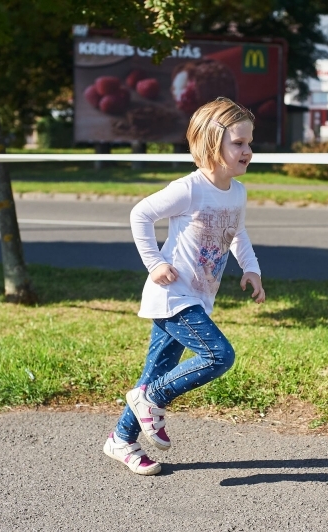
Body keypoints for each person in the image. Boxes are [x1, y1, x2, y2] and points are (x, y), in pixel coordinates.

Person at [103, 97, 266, 475]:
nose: (248, 150)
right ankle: (153, 399)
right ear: (212, 144)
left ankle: (121, 440)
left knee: (153, 373)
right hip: (173, 293)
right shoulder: (189, 188)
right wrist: (155, 263)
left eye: (249, 142)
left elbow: (237, 232)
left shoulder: (237, 192)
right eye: (238, 143)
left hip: (199, 295)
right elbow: (140, 214)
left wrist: (251, 270)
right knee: (218, 355)